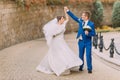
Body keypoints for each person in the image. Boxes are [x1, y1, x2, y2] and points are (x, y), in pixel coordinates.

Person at [36, 8, 83, 76]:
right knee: (57, 54)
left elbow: (67, 18)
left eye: (63, 19)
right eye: (62, 19)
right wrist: (54, 34)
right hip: (56, 42)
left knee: (64, 52)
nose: (63, 20)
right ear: (59, 20)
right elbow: (51, 33)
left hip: (62, 41)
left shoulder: (63, 24)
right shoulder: (54, 26)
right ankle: (58, 67)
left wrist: (65, 11)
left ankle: (65, 65)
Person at [64, 6, 96, 73]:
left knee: (88, 55)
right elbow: (74, 17)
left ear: (86, 17)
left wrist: (88, 33)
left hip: (88, 42)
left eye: (83, 15)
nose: (81, 16)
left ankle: (89, 68)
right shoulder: (80, 21)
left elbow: (93, 33)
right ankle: (81, 66)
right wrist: (68, 11)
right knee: (80, 55)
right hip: (81, 41)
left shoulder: (91, 24)